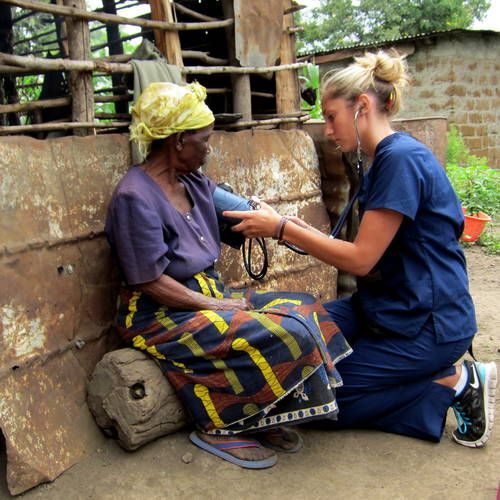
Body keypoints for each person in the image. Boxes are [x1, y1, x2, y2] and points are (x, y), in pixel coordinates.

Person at [224, 50, 497, 447]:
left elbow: (362, 259)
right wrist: (294, 227)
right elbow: (372, 252)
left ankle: (455, 382)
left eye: (331, 116)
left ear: (362, 106)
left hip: (427, 324)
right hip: (386, 307)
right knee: (293, 337)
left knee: (316, 399)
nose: (328, 129)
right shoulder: (380, 160)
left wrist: (282, 229)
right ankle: (408, 372)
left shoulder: (400, 160)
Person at [104, 81, 351, 469]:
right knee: (281, 332)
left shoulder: (192, 182)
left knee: (305, 309)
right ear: (179, 140)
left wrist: (276, 221)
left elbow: (240, 212)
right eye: (204, 139)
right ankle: (219, 424)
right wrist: (216, 303)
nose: (209, 148)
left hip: (204, 296)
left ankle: (261, 411)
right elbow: (149, 281)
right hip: (157, 312)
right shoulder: (134, 196)